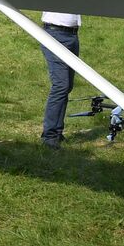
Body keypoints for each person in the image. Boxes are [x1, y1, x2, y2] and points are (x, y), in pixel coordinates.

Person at [39, 9, 81, 149]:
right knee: (61, 85)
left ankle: (57, 132)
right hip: (54, 34)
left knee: (67, 86)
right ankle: (49, 135)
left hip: (72, 35)